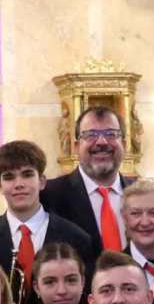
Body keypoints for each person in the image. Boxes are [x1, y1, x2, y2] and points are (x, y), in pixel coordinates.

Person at [0, 140, 97, 304]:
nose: (19, 184)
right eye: (9, 177)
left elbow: (87, 302)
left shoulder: (76, 238)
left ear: (42, 181)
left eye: (27, 175)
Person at [42, 105, 134, 252]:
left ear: (123, 144)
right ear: (77, 146)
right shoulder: (49, 196)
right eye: (91, 135)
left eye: (111, 134)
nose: (102, 142)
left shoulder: (141, 193)